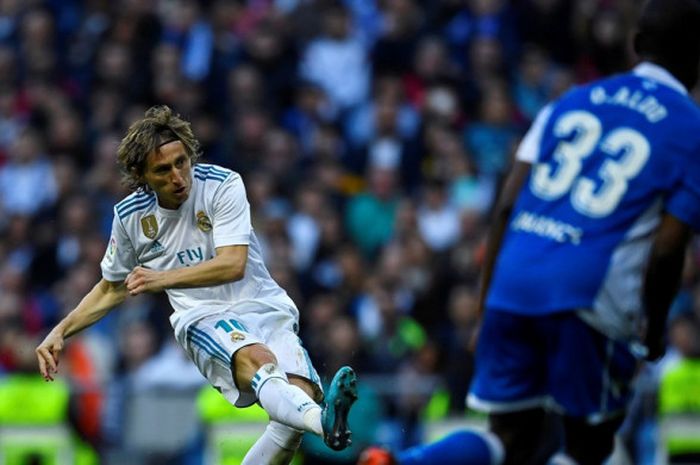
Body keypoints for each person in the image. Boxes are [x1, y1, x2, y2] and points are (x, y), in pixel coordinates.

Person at [359, 0, 700, 464]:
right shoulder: (690, 128)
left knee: (507, 437)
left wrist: (485, 308)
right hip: (588, 295)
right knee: (590, 445)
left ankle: (404, 462)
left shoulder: (572, 101)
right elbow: (668, 247)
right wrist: (654, 330)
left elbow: (505, 207)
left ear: (636, 44)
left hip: (514, 283)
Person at [35, 105, 358, 465]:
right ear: (142, 175)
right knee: (261, 362)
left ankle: (317, 418)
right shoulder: (129, 218)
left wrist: (162, 278)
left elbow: (233, 264)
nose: (178, 176)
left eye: (182, 162)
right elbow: (111, 288)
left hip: (263, 303)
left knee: (292, 410)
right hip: (203, 316)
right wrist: (61, 331)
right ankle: (325, 422)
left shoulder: (223, 184)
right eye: (163, 169)